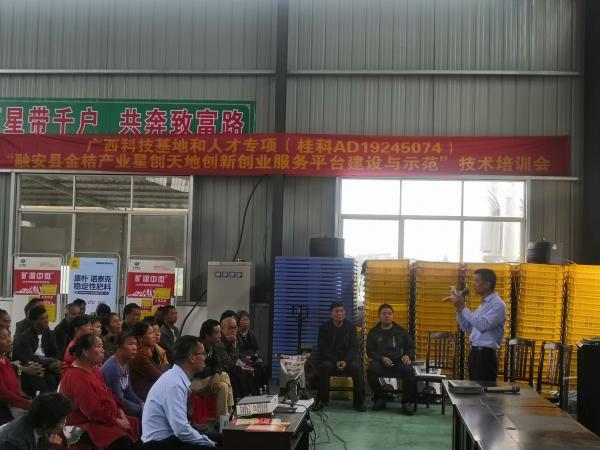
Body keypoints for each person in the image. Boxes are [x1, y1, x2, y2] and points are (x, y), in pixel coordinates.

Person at [60, 333, 140, 450]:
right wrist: (117, 421)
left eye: (102, 346)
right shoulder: (76, 376)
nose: (103, 350)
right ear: (85, 351)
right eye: (98, 346)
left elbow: (109, 393)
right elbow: (92, 411)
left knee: (136, 424)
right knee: (122, 440)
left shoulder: (94, 369)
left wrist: (120, 412)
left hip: (105, 416)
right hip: (83, 424)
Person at [142, 336, 222, 449]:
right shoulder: (174, 384)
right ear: (192, 358)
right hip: (159, 444)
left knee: (224, 438)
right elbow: (181, 430)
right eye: (203, 353)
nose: (205, 357)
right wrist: (209, 443)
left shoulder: (175, 378)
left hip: (171, 438)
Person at [450, 268, 506, 381]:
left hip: (486, 356)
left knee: (484, 390)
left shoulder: (498, 304)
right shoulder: (483, 305)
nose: (473, 284)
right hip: (475, 353)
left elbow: (483, 325)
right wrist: (459, 309)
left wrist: (463, 307)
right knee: (474, 389)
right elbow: (466, 326)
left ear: (487, 284)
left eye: (476, 280)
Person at [366, 303, 416, 415]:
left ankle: (406, 402)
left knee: (408, 369)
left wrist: (408, 355)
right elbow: (370, 351)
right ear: (379, 316)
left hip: (398, 362)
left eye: (389, 313)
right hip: (381, 362)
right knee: (370, 370)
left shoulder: (401, 331)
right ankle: (380, 398)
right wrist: (381, 358)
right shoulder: (373, 332)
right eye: (384, 313)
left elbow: (411, 347)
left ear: (393, 315)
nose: (387, 316)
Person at [316, 302, 365, 412]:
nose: (339, 313)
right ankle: (321, 401)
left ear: (344, 313)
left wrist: (346, 361)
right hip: (331, 360)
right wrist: (335, 361)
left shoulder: (350, 327)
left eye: (342, 311)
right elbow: (322, 348)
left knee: (356, 369)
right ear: (331, 314)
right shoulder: (324, 328)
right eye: (336, 311)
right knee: (325, 367)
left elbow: (354, 347)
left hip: (347, 361)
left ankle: (359, 403)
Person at [12, 306, 61, 395]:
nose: (46, 320)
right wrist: (48, 364)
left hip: (48, 364)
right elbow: (30, 357)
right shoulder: (25, 336)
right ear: (34, 321)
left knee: (55, 377)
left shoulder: (50, 334)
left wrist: (55, 362)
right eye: (42, 319)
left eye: (46, 317)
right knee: (45, 380)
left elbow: (55, 352)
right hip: (34, 365)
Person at [190, 320, 234, 420]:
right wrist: (214, 375)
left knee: (223, 386)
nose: (220, 335)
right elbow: (199, 370)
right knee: (225, 375)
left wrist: (216, 374)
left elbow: (218, 363)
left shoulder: (212, 345)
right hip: (194, 382)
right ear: (207, 335)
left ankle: (221, 421)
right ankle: (230, 409)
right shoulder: (197, 347)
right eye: (217, 333)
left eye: (220, 332)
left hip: (206, 381)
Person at [0, 392, 72, 450]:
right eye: (62, 421)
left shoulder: (38, 425)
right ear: (45, 424)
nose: (64, 423)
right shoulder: (13, 443)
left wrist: (48, 444)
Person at [101, 332, 144, 418]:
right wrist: (141, 409)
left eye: (135, 344)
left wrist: (142, 403)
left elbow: (128, 391)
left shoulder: (125, 362)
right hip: (111, 410)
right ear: (118, 347)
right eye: (130, 344)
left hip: (122, 406)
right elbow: (118, 399)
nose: (135, 348)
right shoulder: (112, 368)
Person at [214, 316, 256, 399]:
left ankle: (251, 398)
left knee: (250, 371)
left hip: (231, 368)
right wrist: (233, 346)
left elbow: (235, 358)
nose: (233, 331)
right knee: (238, 372)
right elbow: (229, 364)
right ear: (222, 329)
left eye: (235, 328)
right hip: (220, 370)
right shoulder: (219, 342)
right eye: (230, 328)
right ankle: (242, 400)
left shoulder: (234, 339)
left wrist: (241, 365)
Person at [0, 325, 31, 425]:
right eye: (4, 338)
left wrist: (28, 400)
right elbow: (3, 394)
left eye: (9, 335)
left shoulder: (5, 359)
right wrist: (27, 404)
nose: (9, 340)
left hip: (13, 405)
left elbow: (16, 390)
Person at [130, 322, 165, 400]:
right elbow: (159, 376)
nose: (154, 336)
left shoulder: (149, 351)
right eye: (150, 333)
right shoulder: (139, 356)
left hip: (151, 389)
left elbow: (161, 371)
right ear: (140, 338)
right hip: (143, 395)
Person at [236, 310, 267, 390]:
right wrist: (247, 357)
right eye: (243, 320)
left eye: (247, 320)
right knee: (248, 370)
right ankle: (251, 391)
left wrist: (256, 355)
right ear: (238, 321)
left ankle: (261, 389)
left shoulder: (251, 333)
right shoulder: (235, 334)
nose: (246, 322)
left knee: (261, 365)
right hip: (242, 359)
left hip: (253, 358)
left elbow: (258, 348)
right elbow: (236, 351)